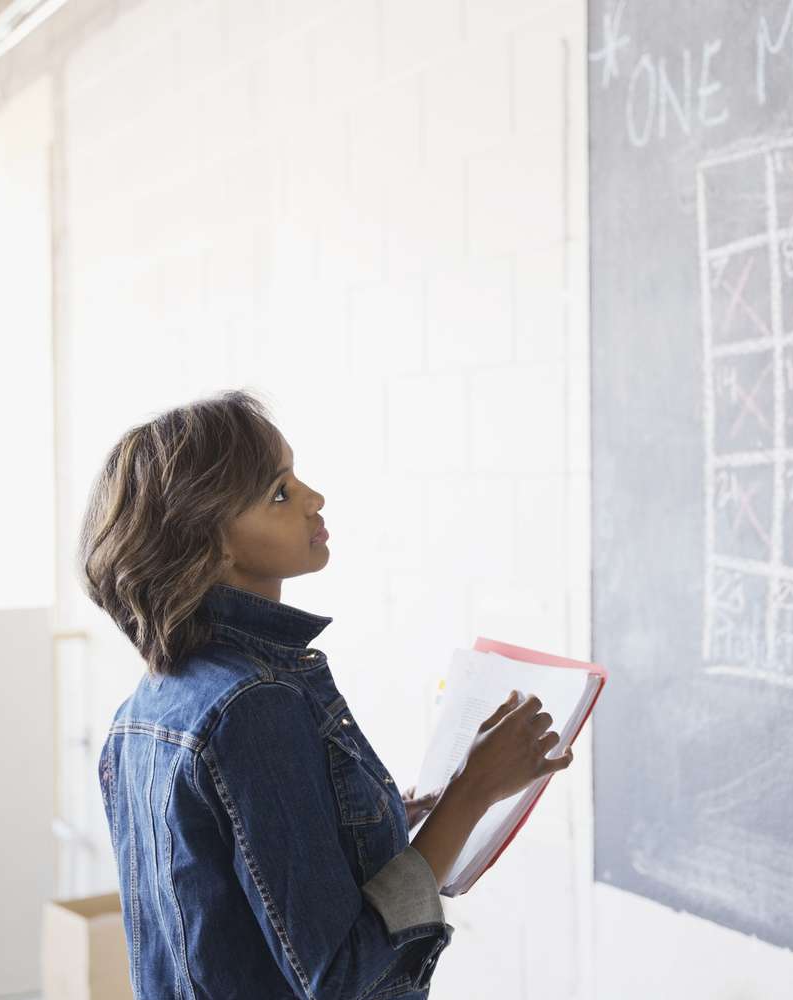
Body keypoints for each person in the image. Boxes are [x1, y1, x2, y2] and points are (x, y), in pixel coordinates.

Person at [79, 389, 575, 999]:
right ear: (213, 544)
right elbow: (341, 976)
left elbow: (228, 906)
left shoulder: (150, 704)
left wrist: (375, 815)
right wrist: (472, 794)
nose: (313, 499)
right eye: (279, 493)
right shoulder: (254, 704)